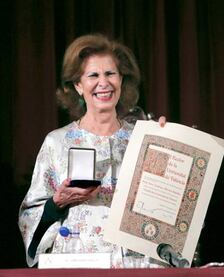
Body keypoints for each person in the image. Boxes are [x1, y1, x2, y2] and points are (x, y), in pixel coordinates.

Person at [18, 34, 165, 267]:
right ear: (78, 85)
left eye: (110, 74)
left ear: (121, 80)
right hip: (78, 264)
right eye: (93, 75)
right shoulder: (56, 143)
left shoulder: (146, 138)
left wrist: (171, 141)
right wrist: (56, 203)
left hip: (140, 265)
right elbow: (30, 215)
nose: (103, 83)